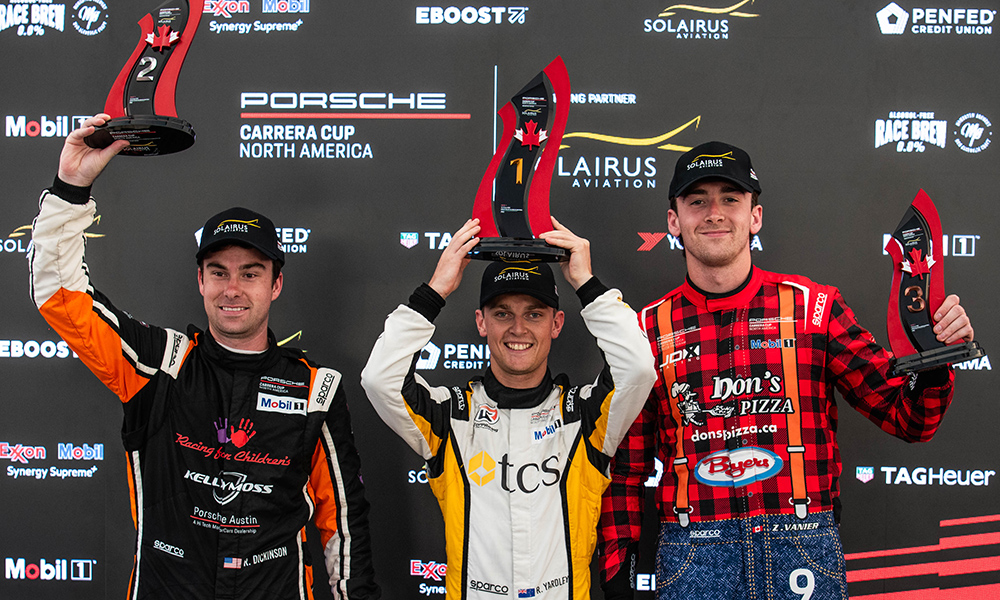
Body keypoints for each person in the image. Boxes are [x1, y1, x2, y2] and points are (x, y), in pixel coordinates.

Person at [597, 141, 975, 599]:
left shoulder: (815, 308)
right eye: (697, 201)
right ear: (674, 221)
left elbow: (910, 419)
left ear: (755, 216)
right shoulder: (645, 331)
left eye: (730, 199)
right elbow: (625, 471)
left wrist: (934, 360)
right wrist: (618, 575)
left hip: (802, 545)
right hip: (693, 553)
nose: (714, 213)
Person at [29, 114, 381, 600]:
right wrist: (71, 187)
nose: (232, 289)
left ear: (276, 284)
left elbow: (343, 523)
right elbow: (60, 295)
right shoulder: (157, 364)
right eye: (218, 272)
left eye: (250, 273)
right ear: (200, 281)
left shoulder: (316, 390)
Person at [360, 218, 656, 599]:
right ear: (481, 322)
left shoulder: (584, 416)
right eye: (502, 313)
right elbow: (380, 379)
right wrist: (435, 291)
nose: (518, 328)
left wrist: (586, 283)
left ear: (556, 323)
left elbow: (637, 368)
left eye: (534, 313)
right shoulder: (450, 416)